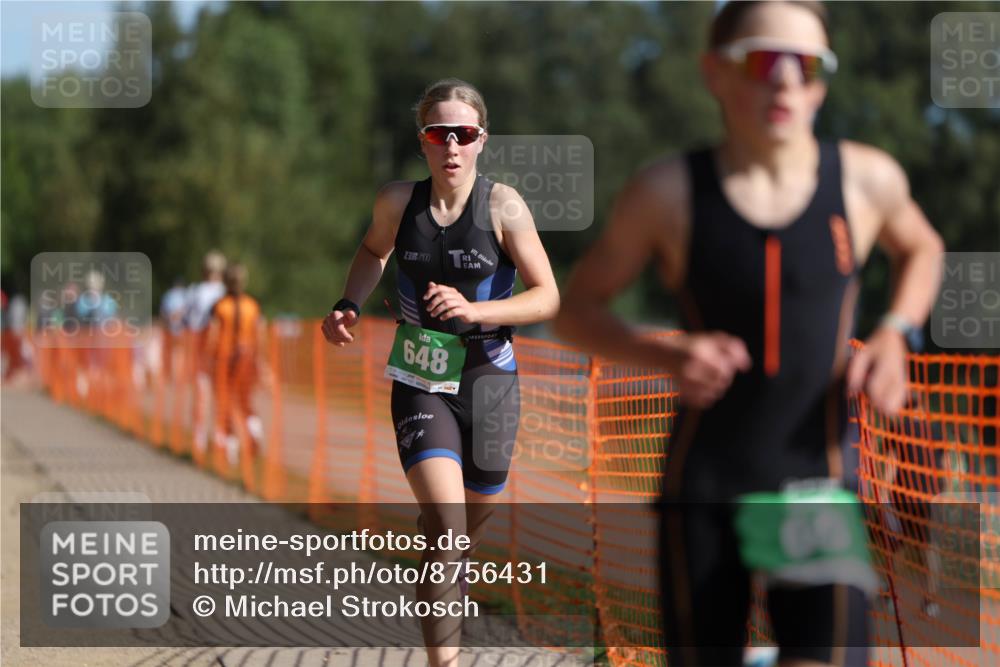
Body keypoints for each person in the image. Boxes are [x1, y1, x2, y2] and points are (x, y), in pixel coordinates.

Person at [554, 2, 944, 666]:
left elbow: (924, 249)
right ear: (716, 73)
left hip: (811, 485)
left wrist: (895, 333)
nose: (788, 81)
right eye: (766, 60)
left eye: (810, 66)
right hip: (705, 485)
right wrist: (663, 351)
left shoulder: (866, 180)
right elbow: (576, 311)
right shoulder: (667, 192)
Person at [321, 78, 559, 667]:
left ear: (482, 140)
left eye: (464, 134)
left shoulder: (503, 206)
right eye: (438, 133)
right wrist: (349, 301)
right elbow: (374, 253)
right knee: (449, 528)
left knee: (454, 536)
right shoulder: (397, 202)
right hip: (421, 379)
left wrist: (477, 310)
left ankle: (442, 577)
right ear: (422, 141)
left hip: (491, 386)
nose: (451, 146)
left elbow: (547, 295)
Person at [206, 263, 264, 468]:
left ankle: (230, 450)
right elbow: (260, 336)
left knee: (226, 404)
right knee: (245, 402)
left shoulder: (219, 306)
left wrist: (207, 359)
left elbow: (212, 336)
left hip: (225, 360)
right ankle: (254, 431)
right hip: (247, 359)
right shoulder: (253, 306)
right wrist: (260, 361)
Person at [186, 251, 227, 454]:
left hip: (211, 348)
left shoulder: (200, 291)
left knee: (208, 394)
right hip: (214, 348)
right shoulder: (222, 291)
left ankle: (207, 436)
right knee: (213, 394)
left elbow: (191, 321)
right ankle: (211, 436)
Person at [159, 277, 189, 382]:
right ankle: (177, 375)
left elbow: (163, 312)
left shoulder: (168, 295)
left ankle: (171, 375)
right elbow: (186, 311)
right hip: (181, 330)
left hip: (170, 329)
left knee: (171, 354)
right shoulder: (184, 295)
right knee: (179, 353)